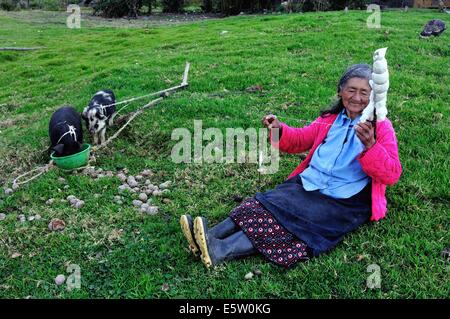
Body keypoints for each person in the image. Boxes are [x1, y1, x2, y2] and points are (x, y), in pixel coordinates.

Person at [180, 64, 402, 269]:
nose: (356, 97)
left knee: (284, 220)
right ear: (340, 91)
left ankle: (220, 250)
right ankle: (206, 236)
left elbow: (391, 174)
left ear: (374, 97)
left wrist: (371, 146)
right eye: (351, 90)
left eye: (364, 92)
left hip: (343, 199)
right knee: (263, 203)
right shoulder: (329, 120)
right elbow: (299, 140)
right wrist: (277, 129)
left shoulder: (381, 128)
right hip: (309, 183)